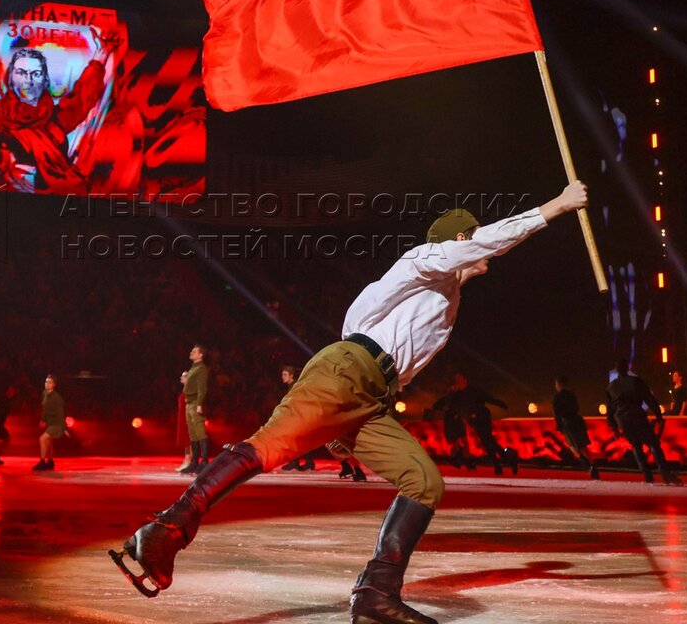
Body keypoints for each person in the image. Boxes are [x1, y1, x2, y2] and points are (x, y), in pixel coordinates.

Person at [109, 182, 588, 624]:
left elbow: (392, 352)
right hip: (348, 371)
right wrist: (557, 206)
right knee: (267, 448)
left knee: (423, 482)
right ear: (461, 240)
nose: (487, 250)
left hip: (371, 394)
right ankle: (165, 530)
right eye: (475, 238)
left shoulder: (442, 299)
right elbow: (486, 243)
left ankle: (376, 593)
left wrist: (345, 425)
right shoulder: (424, 261)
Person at [0, 31, 120, 194]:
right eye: (21, 72)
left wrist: (102, 54)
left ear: (44, 81)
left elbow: (82, 96)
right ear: (10, 79)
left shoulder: (53, 120)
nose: (28, 80)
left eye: (35, 74)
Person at [606, 358, 682, 486]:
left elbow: (610, 411)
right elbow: (649, 398)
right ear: (627, 368)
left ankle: (647, 475)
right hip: (637, 416)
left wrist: (614, 428)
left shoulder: (611, 387)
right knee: (653, 444)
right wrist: (658, 416)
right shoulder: (636, 381)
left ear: (617, 370)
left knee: (636, 445)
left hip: (623, 420)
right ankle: (665, 474)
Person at [452, 374, 516, 475]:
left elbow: (488, 398)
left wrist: (501, 404)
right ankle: (505, 461)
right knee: (489, 442)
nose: (458, 382)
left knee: (488, 441)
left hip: (483, 418)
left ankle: (501, 463)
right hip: (476, 421)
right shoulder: (460, 394)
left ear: (465, 380)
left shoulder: (474, 391)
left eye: (459, 380)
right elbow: (457, 406)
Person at [553, 376, 598, 479]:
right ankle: (592, 464)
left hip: (568, 423)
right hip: (578, 421)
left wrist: (559, 425)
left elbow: (557, 412)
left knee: (573, 445)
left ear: (558, 385)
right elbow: (577, 407)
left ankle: (586, 464)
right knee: (583, 446)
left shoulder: (558, 397)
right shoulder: (572, 395)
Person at [180, 344, 210, 475]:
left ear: (200, 355)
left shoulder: (201, 368)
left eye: (194, 351)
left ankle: (204, 462)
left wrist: (199, 404)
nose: (191, 352)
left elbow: (202, 388)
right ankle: (194, 462)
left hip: (195, 403)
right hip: (189, 403)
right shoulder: (194, 367)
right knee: (192, 433)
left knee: (200, 432)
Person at [280, 365, 315, 471]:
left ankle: (297, 462)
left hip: (299, 416)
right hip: (298, 415)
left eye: (285, 374)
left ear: (291, 376)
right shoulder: (292, 385)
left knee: (296, 440)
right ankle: (306, 462)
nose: (283, 377)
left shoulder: (294, 385)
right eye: (283, 374)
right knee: (299, 441)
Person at [34, 374, 66, 471]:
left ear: (54, 385)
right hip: (50, 423)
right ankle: (50, 462)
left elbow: (61, 414)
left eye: (50, 382)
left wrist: (63, 428)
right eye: (46, 382)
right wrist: (42, 420)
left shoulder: (57, 398)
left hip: (57, 424)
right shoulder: (44, 393)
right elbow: (45, 409)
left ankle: (42, 462)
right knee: (49, 442)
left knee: (42, 439)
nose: (47, 384)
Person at [175, 370, 191, 472]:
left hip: (187, 417)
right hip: (182, 417)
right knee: (185, 441)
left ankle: (189, 461)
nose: (181, 378)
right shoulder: (185, 389)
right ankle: (186, 460)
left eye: (183, 376)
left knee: (189, 441)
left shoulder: (190, 390)